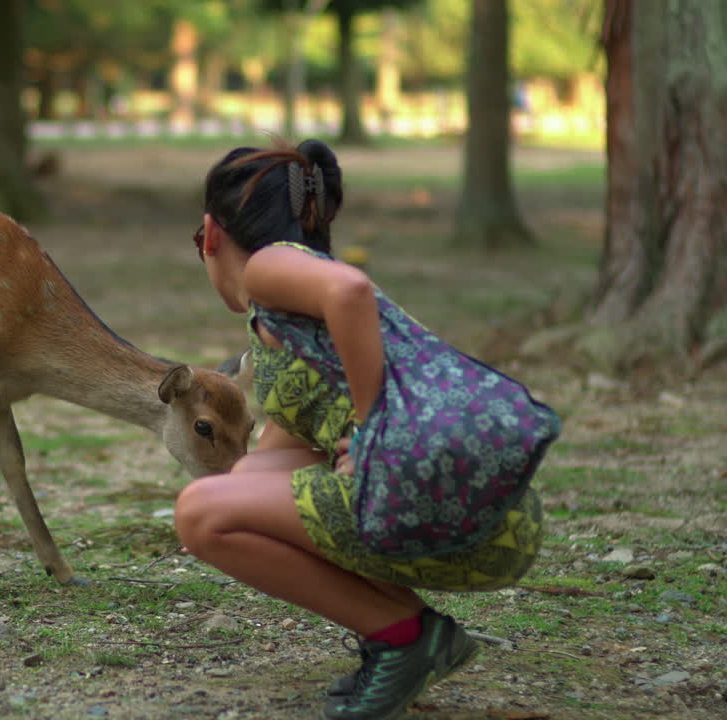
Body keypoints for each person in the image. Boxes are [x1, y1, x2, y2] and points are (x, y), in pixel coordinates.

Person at [174, 139, 558, 720]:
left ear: (210, 232)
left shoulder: (269, 266)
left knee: (199, 513)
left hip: (453, 511)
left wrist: (371, 427)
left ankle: (404, 637)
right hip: (490, 517)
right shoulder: (284, 321)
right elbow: (267, 470)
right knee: (224, 499)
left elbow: (349, 289)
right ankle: (411, 636)